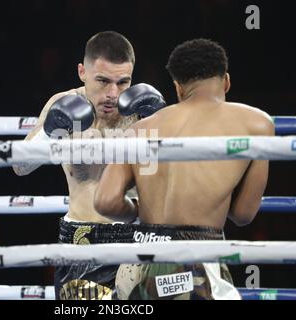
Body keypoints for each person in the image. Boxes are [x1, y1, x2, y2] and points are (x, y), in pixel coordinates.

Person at [94, 38, 275, 300]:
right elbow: (243, 214)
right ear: (226, 81)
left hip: (138, 260)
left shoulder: (139, 130)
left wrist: (141, 209)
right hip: (195, 258)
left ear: (178, 88)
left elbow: (106, 202)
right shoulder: (257, 123)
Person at [12, 31, 166, 300]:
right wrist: (51, 130)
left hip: (140, 237)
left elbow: (172, 179)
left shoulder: (143, 110)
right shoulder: (62, 104)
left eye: (123, 82)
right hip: (83, 239)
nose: (112, 94)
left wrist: (161, 123)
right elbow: (21, 167)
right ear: (82, 71)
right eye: (103, 81)